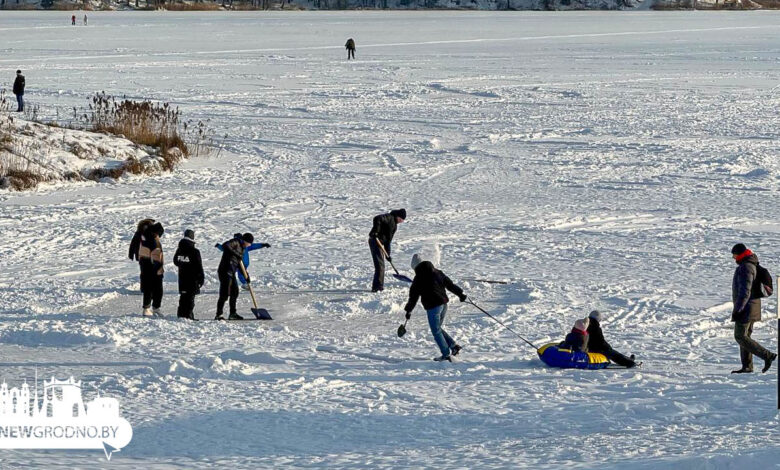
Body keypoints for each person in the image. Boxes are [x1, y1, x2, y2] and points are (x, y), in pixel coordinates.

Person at [403, 254, 467, 362]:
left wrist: (409, 310)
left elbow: (413, 297)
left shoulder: (418, 278)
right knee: (437, 328)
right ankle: (453, 346)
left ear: (415, 267)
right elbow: (450, 284)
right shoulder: (437, 272)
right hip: (443, 305)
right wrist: (460, 294)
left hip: (433, 307)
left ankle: (446, 355)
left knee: (436, 331)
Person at [730, 243, 777, 373]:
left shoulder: (746, 267)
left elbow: (745, 291)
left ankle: (767, 356)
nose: (733, 257)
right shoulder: (749, 264)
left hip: (746, 308)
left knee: (740, 336)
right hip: (751, 307)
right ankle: (747, 366)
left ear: (739, 254)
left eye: (734, 254)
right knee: (745, 336)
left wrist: (739, 309)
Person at [215, 232, 254, 320]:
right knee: (224, 294)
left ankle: (233, 313)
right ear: (245, 241)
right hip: (225, 270)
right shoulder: (236, 242)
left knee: (235, 292)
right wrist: (236, 254)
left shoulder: (243, 248)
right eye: (249, 243)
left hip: (231, 272)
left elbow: (240, 264)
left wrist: (246, 276)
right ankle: (219, 314)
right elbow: (226, 245)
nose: (249, 245)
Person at [368, 208, 406, 292]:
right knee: (380, 265)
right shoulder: (389, 217)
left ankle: (378, 286)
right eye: (401, 219)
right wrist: (376, 231)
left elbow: (388, 242)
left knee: (381, 265)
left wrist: (388, 255)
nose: (402, 221)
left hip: (380, 243)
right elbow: (377, 218)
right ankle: (377, 287)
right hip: (375, 240)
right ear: (398, 216)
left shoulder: (394, 226)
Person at [173, 229, 204, 320]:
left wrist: (183, 265)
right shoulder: (194, 251)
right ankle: (188, 315)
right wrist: (201, 278)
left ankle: (181, 314)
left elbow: (175, 261)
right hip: (192, 278)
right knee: (190, 298)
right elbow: (199, 266)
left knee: (183, 297)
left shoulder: (179, 249)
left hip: (182, 277)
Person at [138, 222, 165, 317]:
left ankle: (147, 308)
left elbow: (141, 256)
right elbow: (156, 258)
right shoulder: (154, 242)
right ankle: (155, 308)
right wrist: (158, 270)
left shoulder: (144, 238)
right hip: (154, 271)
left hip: (145, 268)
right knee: (158, 290)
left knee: (147, 289)